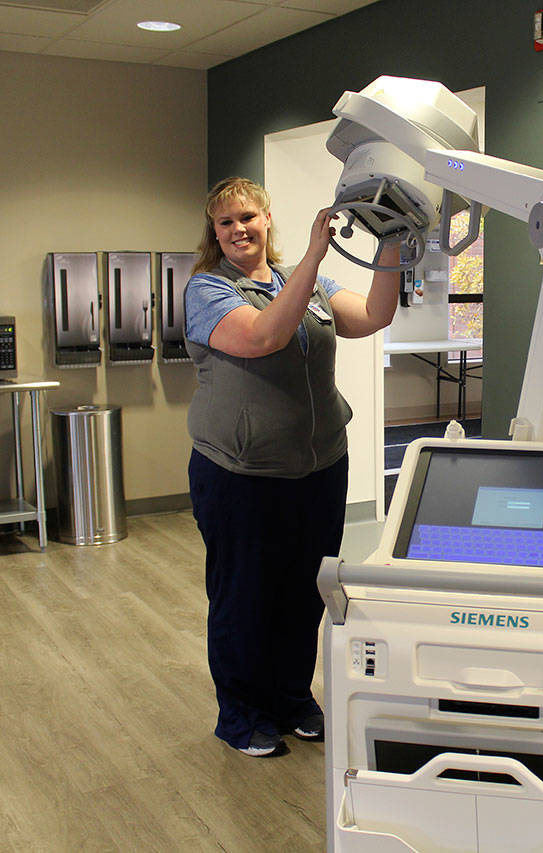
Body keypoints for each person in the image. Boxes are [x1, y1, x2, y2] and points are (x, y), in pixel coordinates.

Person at [184, 177, 401, 757]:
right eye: (226, 222)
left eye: (247, 217)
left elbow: (377, 313)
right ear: (215, 233)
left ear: (266, 219)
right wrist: (313, 253)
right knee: (246, 595)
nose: (238, 230)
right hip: (241, 473)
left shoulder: (303, 284)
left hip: (319, 466)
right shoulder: (208, 291)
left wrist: (393, 242)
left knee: (305, 592)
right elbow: (263, 335)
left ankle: (291, 698)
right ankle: (242, 714)